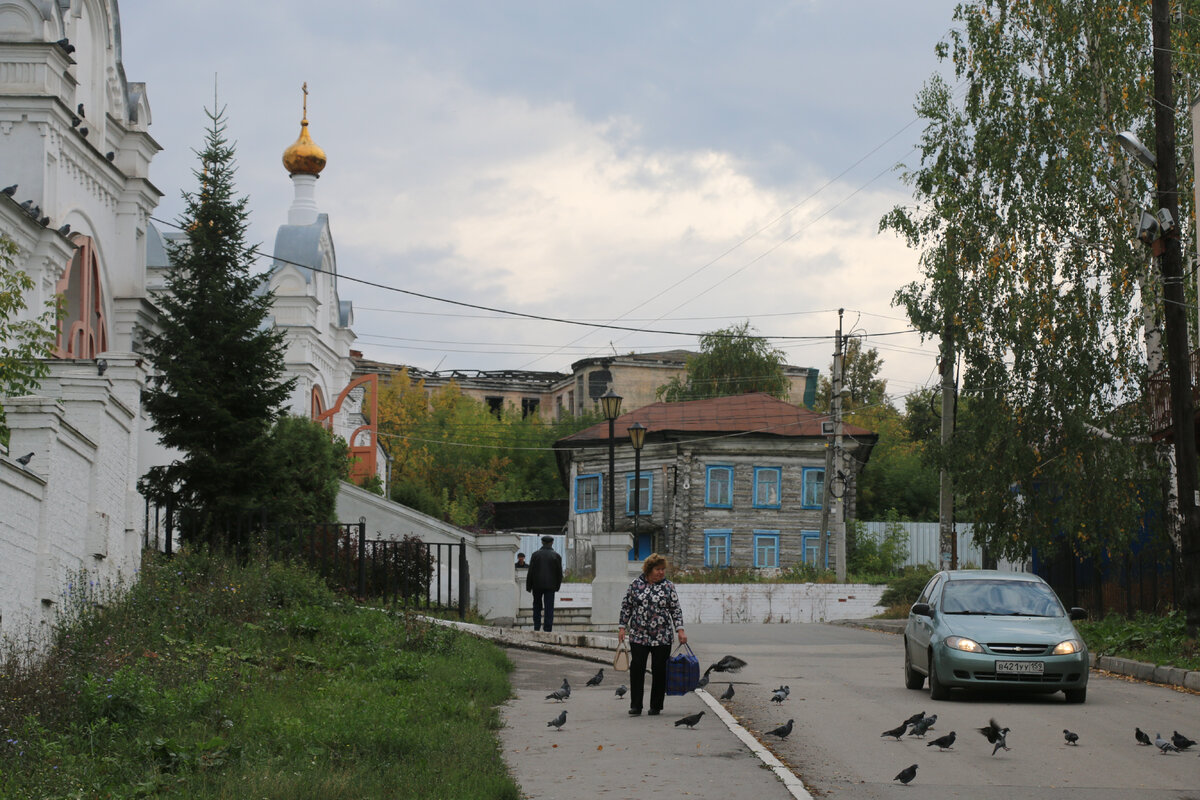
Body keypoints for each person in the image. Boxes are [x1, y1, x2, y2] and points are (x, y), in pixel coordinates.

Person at [618, 553, 687, 716]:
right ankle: (636, 705)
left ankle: (656, 706)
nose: (661, 572)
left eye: (663, 569)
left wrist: (680, 630)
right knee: (637, 668)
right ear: (649, 569)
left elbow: (675, 610)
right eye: (658, 569)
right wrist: (622, 627)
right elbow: (626, 606)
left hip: (662, 635)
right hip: (638, 635)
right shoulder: (635, 585)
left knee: (659, 670)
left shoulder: (668, 586)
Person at [525, 535, 563, 632]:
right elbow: (559, 574)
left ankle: (536, 627)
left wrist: (529, 586)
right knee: (549, 608)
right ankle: (547, 629)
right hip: (551, 586)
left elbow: (531, 572)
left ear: (542, 542)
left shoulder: (535, 555)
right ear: (552, 543)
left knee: (537, 606)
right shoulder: (556, 556)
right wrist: (557, 586)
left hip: (537, 585)